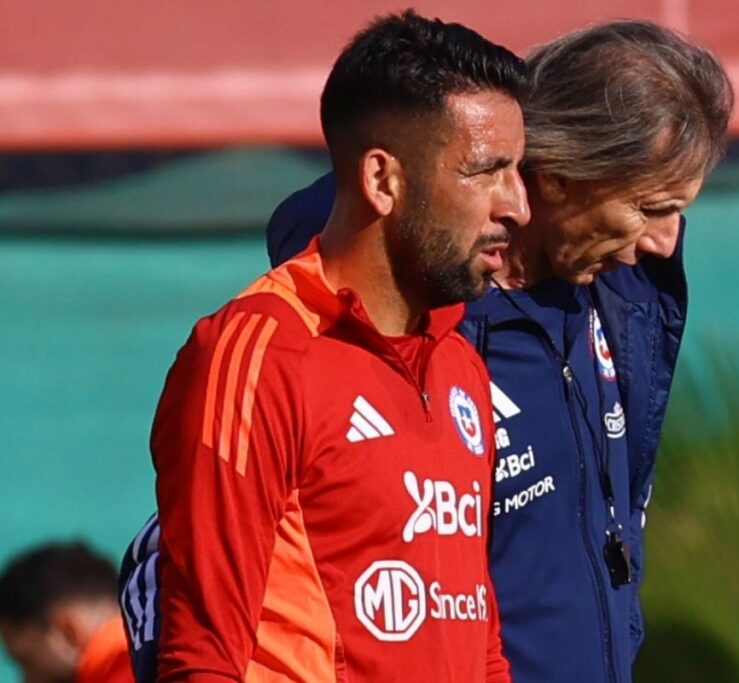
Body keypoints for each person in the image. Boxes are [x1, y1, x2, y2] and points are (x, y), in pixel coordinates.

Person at [123, 19, 732, 683]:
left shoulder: (477, 353)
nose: (666, 242)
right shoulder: (280, 347)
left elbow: (481, 631)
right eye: (650, 207)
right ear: (563, 173)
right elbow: (197, 631)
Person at [137, 10, 529, 682]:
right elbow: (202, 654)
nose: (516, 205)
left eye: (516, 170)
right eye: (486, 171)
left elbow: (481, 642)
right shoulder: (257, 352)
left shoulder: (458, 360)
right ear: (383, 181)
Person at [0, 541, 133, 683]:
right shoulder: (149, 644)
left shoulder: (119, 668)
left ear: (67, 633)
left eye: (26, 663)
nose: (25, 680)